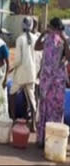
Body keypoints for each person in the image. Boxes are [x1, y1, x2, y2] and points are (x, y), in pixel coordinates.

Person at [35, 17, 70, 148]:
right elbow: (36, 46)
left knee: (55, 109)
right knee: (44, 107)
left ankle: (54, 139)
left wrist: (64, 39)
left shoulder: (64, 40)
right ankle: (42, 138)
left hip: (57, 82)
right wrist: (43, 34)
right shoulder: (48, 39)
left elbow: (69, 56)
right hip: (46, 81)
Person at [10, 17, 37, 131]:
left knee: (12, 94)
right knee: (31, 98)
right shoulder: (36, 38)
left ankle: (13, 118)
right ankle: (33, 124)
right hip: (32, 72)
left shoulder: (20, 39)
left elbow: (18, 60)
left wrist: (12, 68)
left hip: (21, 73)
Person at [32, 17, 42, 108]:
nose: (34, 24)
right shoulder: (26, 36)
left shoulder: (40, 36)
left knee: (36, 90)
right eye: (33, 22)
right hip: (30, 66)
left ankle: (36, 109)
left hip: (38, 65)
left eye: (35, 23)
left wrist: (41, 69)